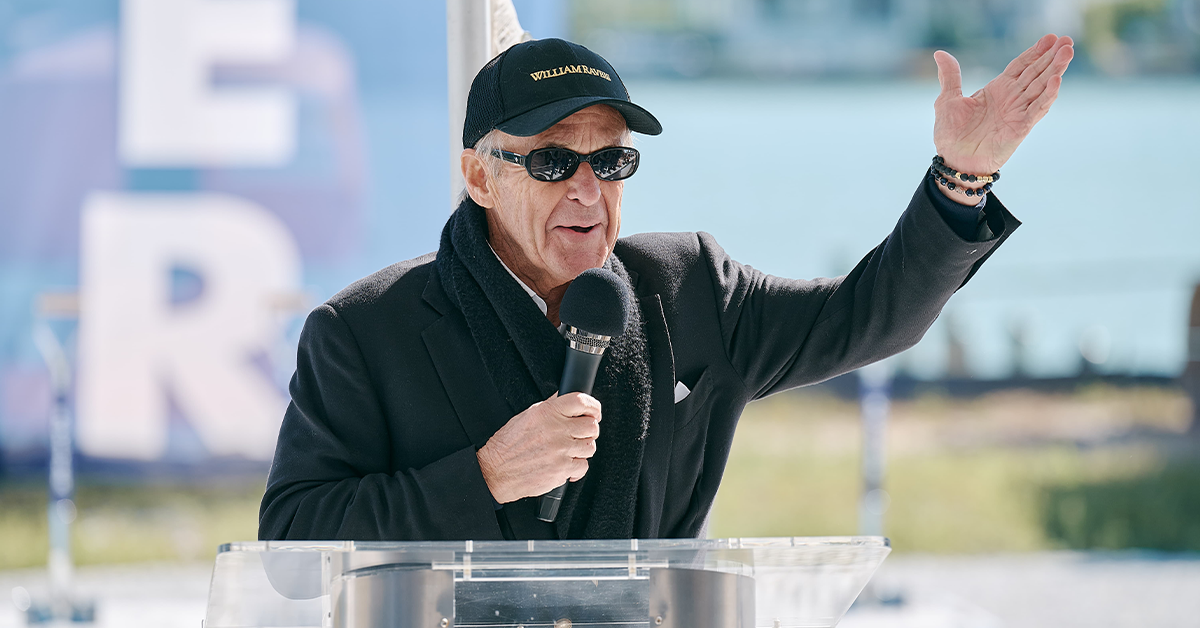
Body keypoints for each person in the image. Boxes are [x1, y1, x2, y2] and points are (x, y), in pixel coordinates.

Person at [259, 36, 1074, 540]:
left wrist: (962, 177)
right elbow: (294, 536)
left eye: (611, 160)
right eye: (553, 160)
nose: (588, 190)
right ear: (479, 177)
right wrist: (484, 478)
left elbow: (872, 318)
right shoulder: (364, 330)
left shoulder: (689, 288)